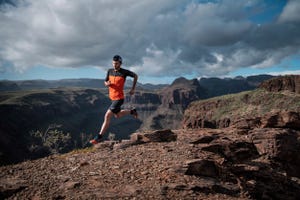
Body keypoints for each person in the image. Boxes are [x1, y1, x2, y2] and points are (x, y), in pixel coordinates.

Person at [90, 55, 138, 144]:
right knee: (118, 115)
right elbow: (105, 81)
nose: (114, 65)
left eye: (116, 63)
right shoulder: (109, 71)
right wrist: (106, 84)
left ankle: (98, 137)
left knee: (107, 115)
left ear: (120, 63)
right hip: (112, 98)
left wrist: (133, 89)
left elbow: (135, 76)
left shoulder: (124, 72)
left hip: (119, 98)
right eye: (113, 63)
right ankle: (132, 111)